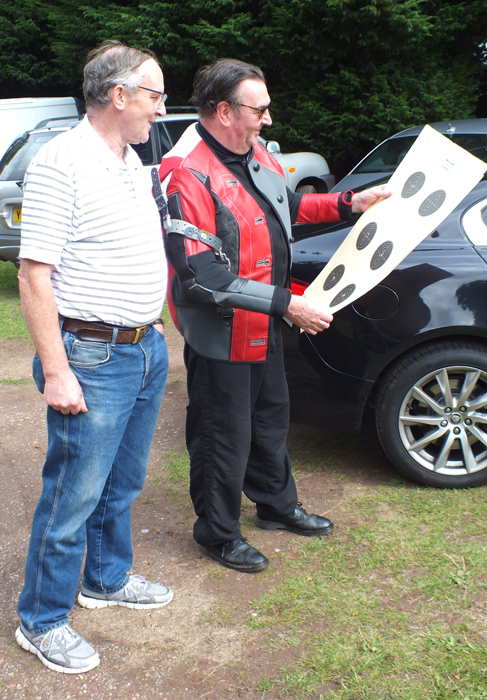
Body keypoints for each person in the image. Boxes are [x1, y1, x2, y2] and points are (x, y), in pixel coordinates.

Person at [159, 58, 391, 575]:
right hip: (222, 333)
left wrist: (352, 203)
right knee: (223, 433)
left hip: (264, 324)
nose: (268, 119)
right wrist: (289, 304)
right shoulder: (186, 172)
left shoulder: (255, 150)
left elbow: (287, 206)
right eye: (258, 109)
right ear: (224, 110)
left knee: (269, 421)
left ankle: (276, 506)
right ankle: (217, 533)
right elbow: (200, 278)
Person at [15, 41, 172, 674]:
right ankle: (43, 618)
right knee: (72, 495)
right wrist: (57, 370)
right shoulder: (62, 161)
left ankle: (105, 579)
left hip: (144, 347)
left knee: (123, 482)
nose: (161, 108)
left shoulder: (132, 160)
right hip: (93, 356)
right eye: (156, 94)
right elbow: (33, 274)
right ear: (120, 96)